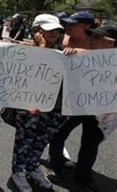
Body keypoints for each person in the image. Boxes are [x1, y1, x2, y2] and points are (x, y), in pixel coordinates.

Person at [48, 24, 116, 192]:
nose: (91, 39)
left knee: (90, 144)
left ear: (110, 42)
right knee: (57, 134)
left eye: (97, 37)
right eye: (91, 36)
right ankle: (56, 166)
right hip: (77, 105)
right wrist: (69, 55)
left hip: (103, 113)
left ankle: (83, 176)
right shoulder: (81, 55)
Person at [10, 14, 68, 192]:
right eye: (48, 30)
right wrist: (41, 48)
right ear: (37, 31)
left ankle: (32, 166)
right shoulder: (24, 50)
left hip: (55, 107)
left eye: (57, 30)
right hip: (30, 107)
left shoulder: (63, 53)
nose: (53, 34)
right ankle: (18, 171)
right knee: (25, 140)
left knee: (41, 140)